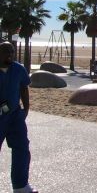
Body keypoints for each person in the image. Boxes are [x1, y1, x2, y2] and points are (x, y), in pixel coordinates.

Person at [0, 42, 38, 193]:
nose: (10, 53)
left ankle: (20, 186)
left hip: (15, 116)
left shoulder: (18, 69)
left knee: (21, 148)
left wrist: (26, 109)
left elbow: (24, 87)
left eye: (12, 51)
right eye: (5, 51)